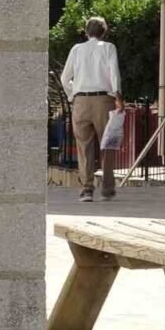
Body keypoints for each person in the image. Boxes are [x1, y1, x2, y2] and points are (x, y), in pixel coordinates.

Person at [60, 16, 124, 202]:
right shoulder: (109, 48)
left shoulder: (76, 49)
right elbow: (114, 73)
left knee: (83, 146)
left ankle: (86, 189)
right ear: (104, 31)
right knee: (107, 145)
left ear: (86, 31)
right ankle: (107, 189)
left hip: (81, 101)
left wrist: (73, 94)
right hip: (104, 100)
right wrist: (118, 97)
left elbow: (65, 78)